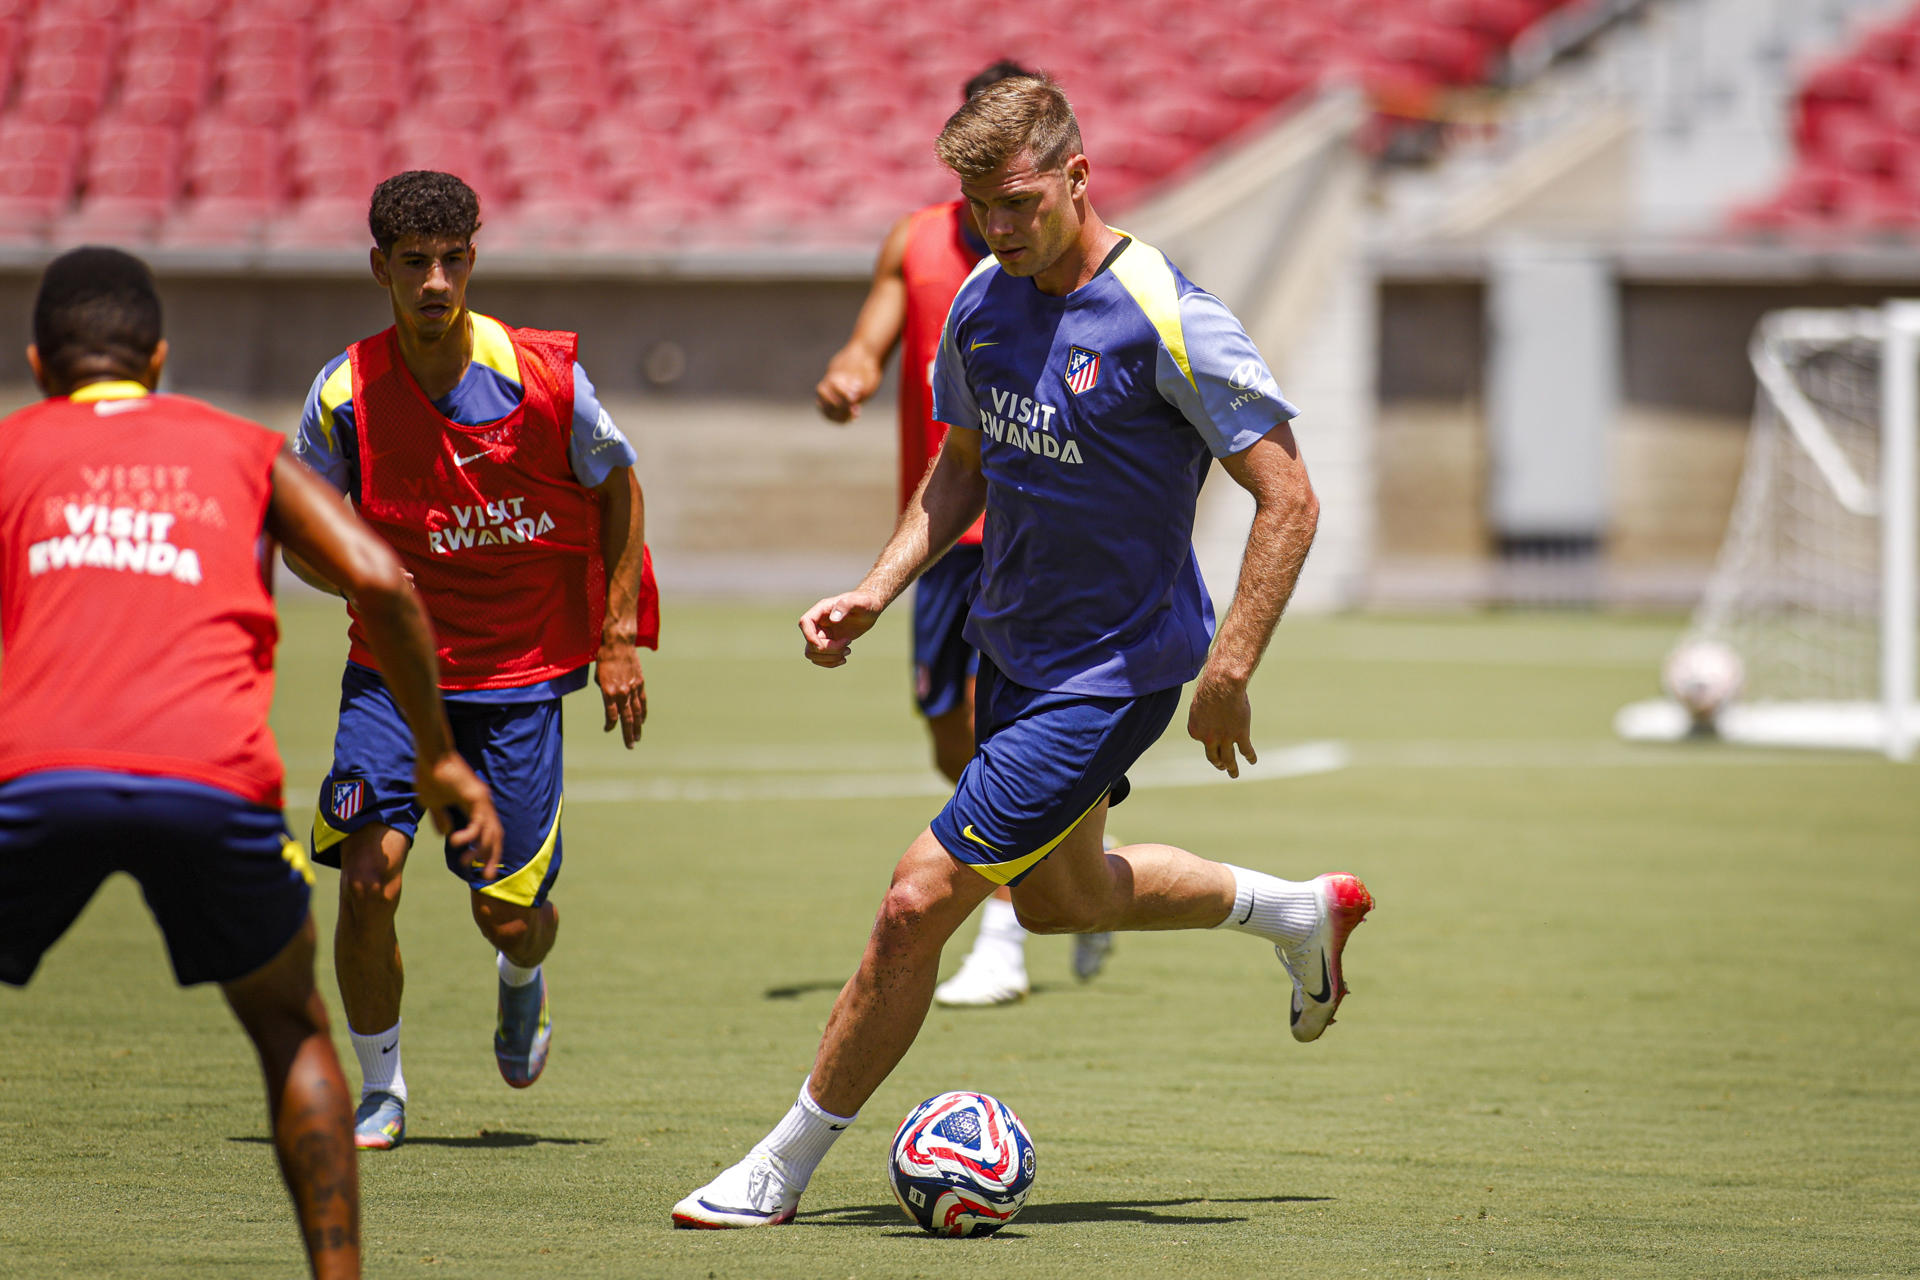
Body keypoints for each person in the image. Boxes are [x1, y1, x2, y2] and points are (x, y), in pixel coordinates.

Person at [674, 76, 1373, 1229]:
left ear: (1078, 176)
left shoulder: (1168, 312)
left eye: (1017, 201)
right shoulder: (983, 303)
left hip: (1117, 671)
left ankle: (780, 1166)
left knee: (917, 899)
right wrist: (875, 586)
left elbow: (1288, 495)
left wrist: (1230, 668)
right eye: (976, 206)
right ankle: (1297, 911)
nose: (996, 228)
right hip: (1015, 657)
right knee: (1062, 900)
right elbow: (962, 465)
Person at [0, 246, 503, 1279]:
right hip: (210, 780)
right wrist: (441, 759)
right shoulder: (237, 447)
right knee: (289, 1028)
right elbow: (381, 577)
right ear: (161, 358)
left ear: (40, 361)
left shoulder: (12, 449)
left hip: (32, 774)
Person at [287, 171, 657, 1151]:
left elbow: (621, 488)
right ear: (382, 269)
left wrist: (615, 634)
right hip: (391, 680)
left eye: (453, 260)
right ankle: (382, 1085)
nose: (437, 281)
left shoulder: (544, 378)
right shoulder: (343, 394)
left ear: (474, 261)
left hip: (520, 682)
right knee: (367, 877)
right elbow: (298, 537)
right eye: (415, 263)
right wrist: (363, 582)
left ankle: (522, 978)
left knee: (510, 915)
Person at [815, 59, 1114, 1007]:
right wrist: (852, 374)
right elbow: (873, 339)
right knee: (953, 737)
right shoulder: (923, 247)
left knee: (1003, 748)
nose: (1001, 216)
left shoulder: (1079, 266)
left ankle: (1006, 932)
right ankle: (1077, 867)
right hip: (943, 535)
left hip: (1033, 543)